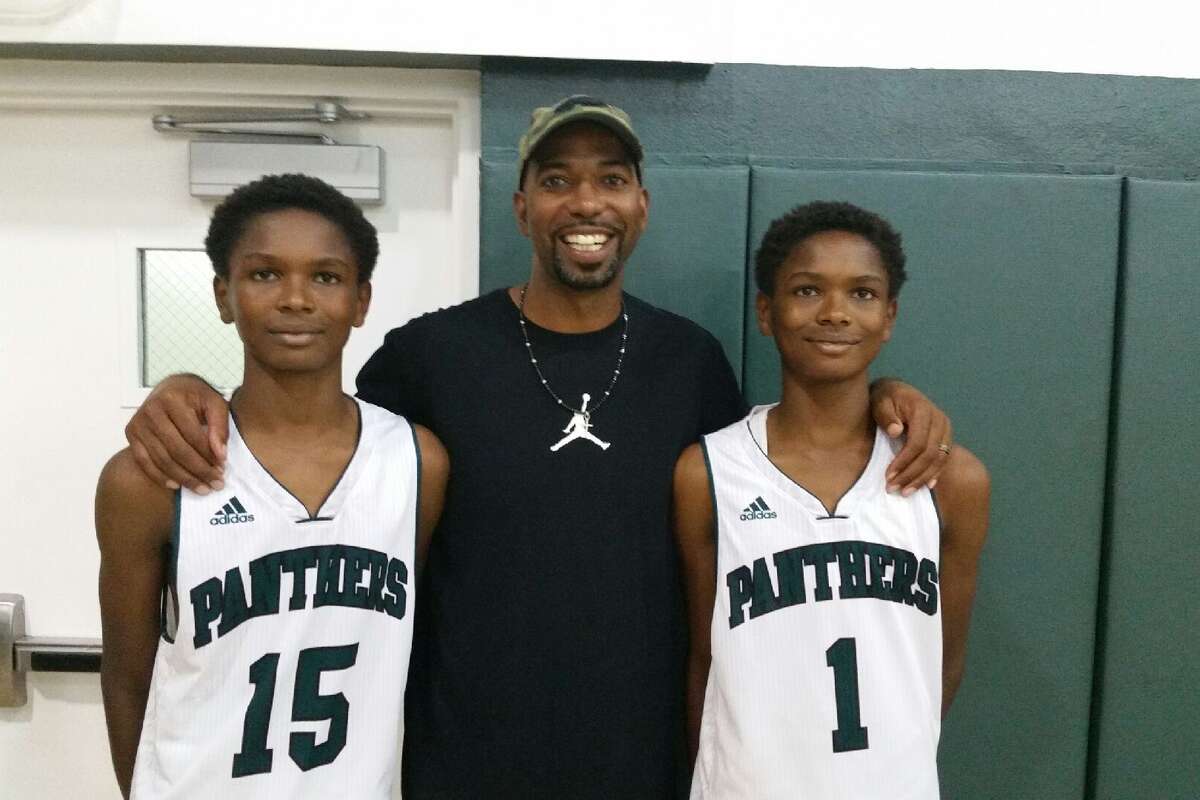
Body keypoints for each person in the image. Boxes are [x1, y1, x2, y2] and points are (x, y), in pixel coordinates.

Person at [122, 98, 954, 798]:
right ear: (521, 207)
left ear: (641, 206)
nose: (584, 203)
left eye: (611, 180)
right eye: (556, 181)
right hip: (462, 764)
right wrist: (185, 385)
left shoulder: (690, 360)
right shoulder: (430, 357)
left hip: (643, 764)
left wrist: (885, 398)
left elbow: (786, 459)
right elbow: (303, 424)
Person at [96, 174, 449, 799]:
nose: (295, 298)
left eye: (326, 276)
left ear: (362, 300)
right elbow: (127, 677)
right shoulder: (150, 476)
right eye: (264, 274)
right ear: (223, 294)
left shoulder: (418, 462)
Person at [674, 201, 989, 799]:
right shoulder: (707, 473)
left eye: (863, 294)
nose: (836, 313)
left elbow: (941, 666)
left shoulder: (951, 480)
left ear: (890, 315)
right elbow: (704, 664)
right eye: (808, 290)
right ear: (767, 312)